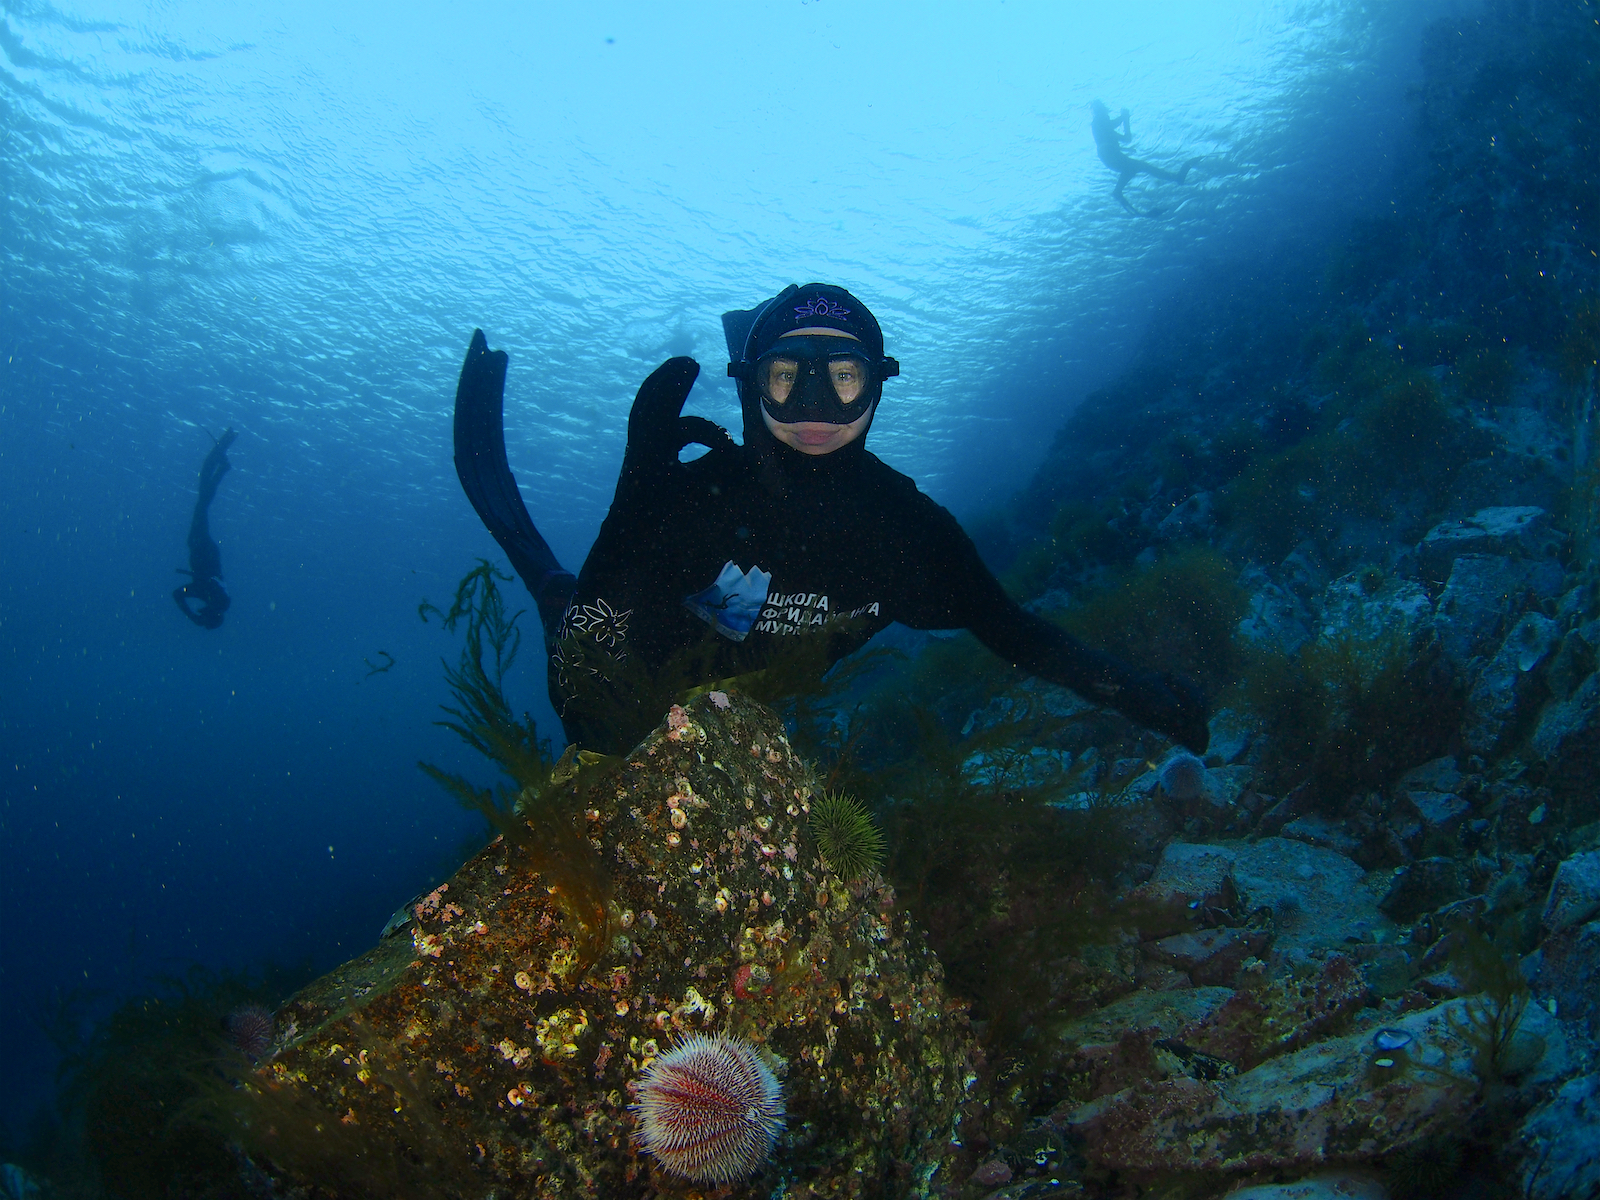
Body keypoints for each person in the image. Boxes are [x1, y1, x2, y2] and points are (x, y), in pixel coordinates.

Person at [453, 284, 1208, 755]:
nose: (815, 408)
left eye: (844, 378)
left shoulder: (912, 535)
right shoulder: (691, 500)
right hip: (645, 690)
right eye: (788, 378)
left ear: (879, 388)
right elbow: (587, 695)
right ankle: (540, 563)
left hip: (750, 702)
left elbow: (1015, 632)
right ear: (753, 387)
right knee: (567, 613)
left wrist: (1140, 695)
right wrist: (629, 516)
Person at [1091, 100, 1201, 218]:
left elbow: (1126, 138)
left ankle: (1118, 192)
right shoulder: (1098, 122)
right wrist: (1124, 116)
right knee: (1141, 166)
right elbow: (1113, 127)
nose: (1106, 115)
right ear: (1100, 111)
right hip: (1110, 155)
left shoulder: (1105, 129)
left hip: (1110, 157)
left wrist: (1125, 118)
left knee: (1133, 169)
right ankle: (1176, 178)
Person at [173, 428, 237, 629]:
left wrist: (191, 615)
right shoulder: (220, 602)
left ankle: (222, 464)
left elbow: (177, 594)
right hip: (204, 550)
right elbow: (214, 585)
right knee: (202, 502)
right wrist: (193, 615)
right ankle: (222, 459)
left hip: (199, 547)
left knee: (202, 502)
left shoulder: (204, 596)